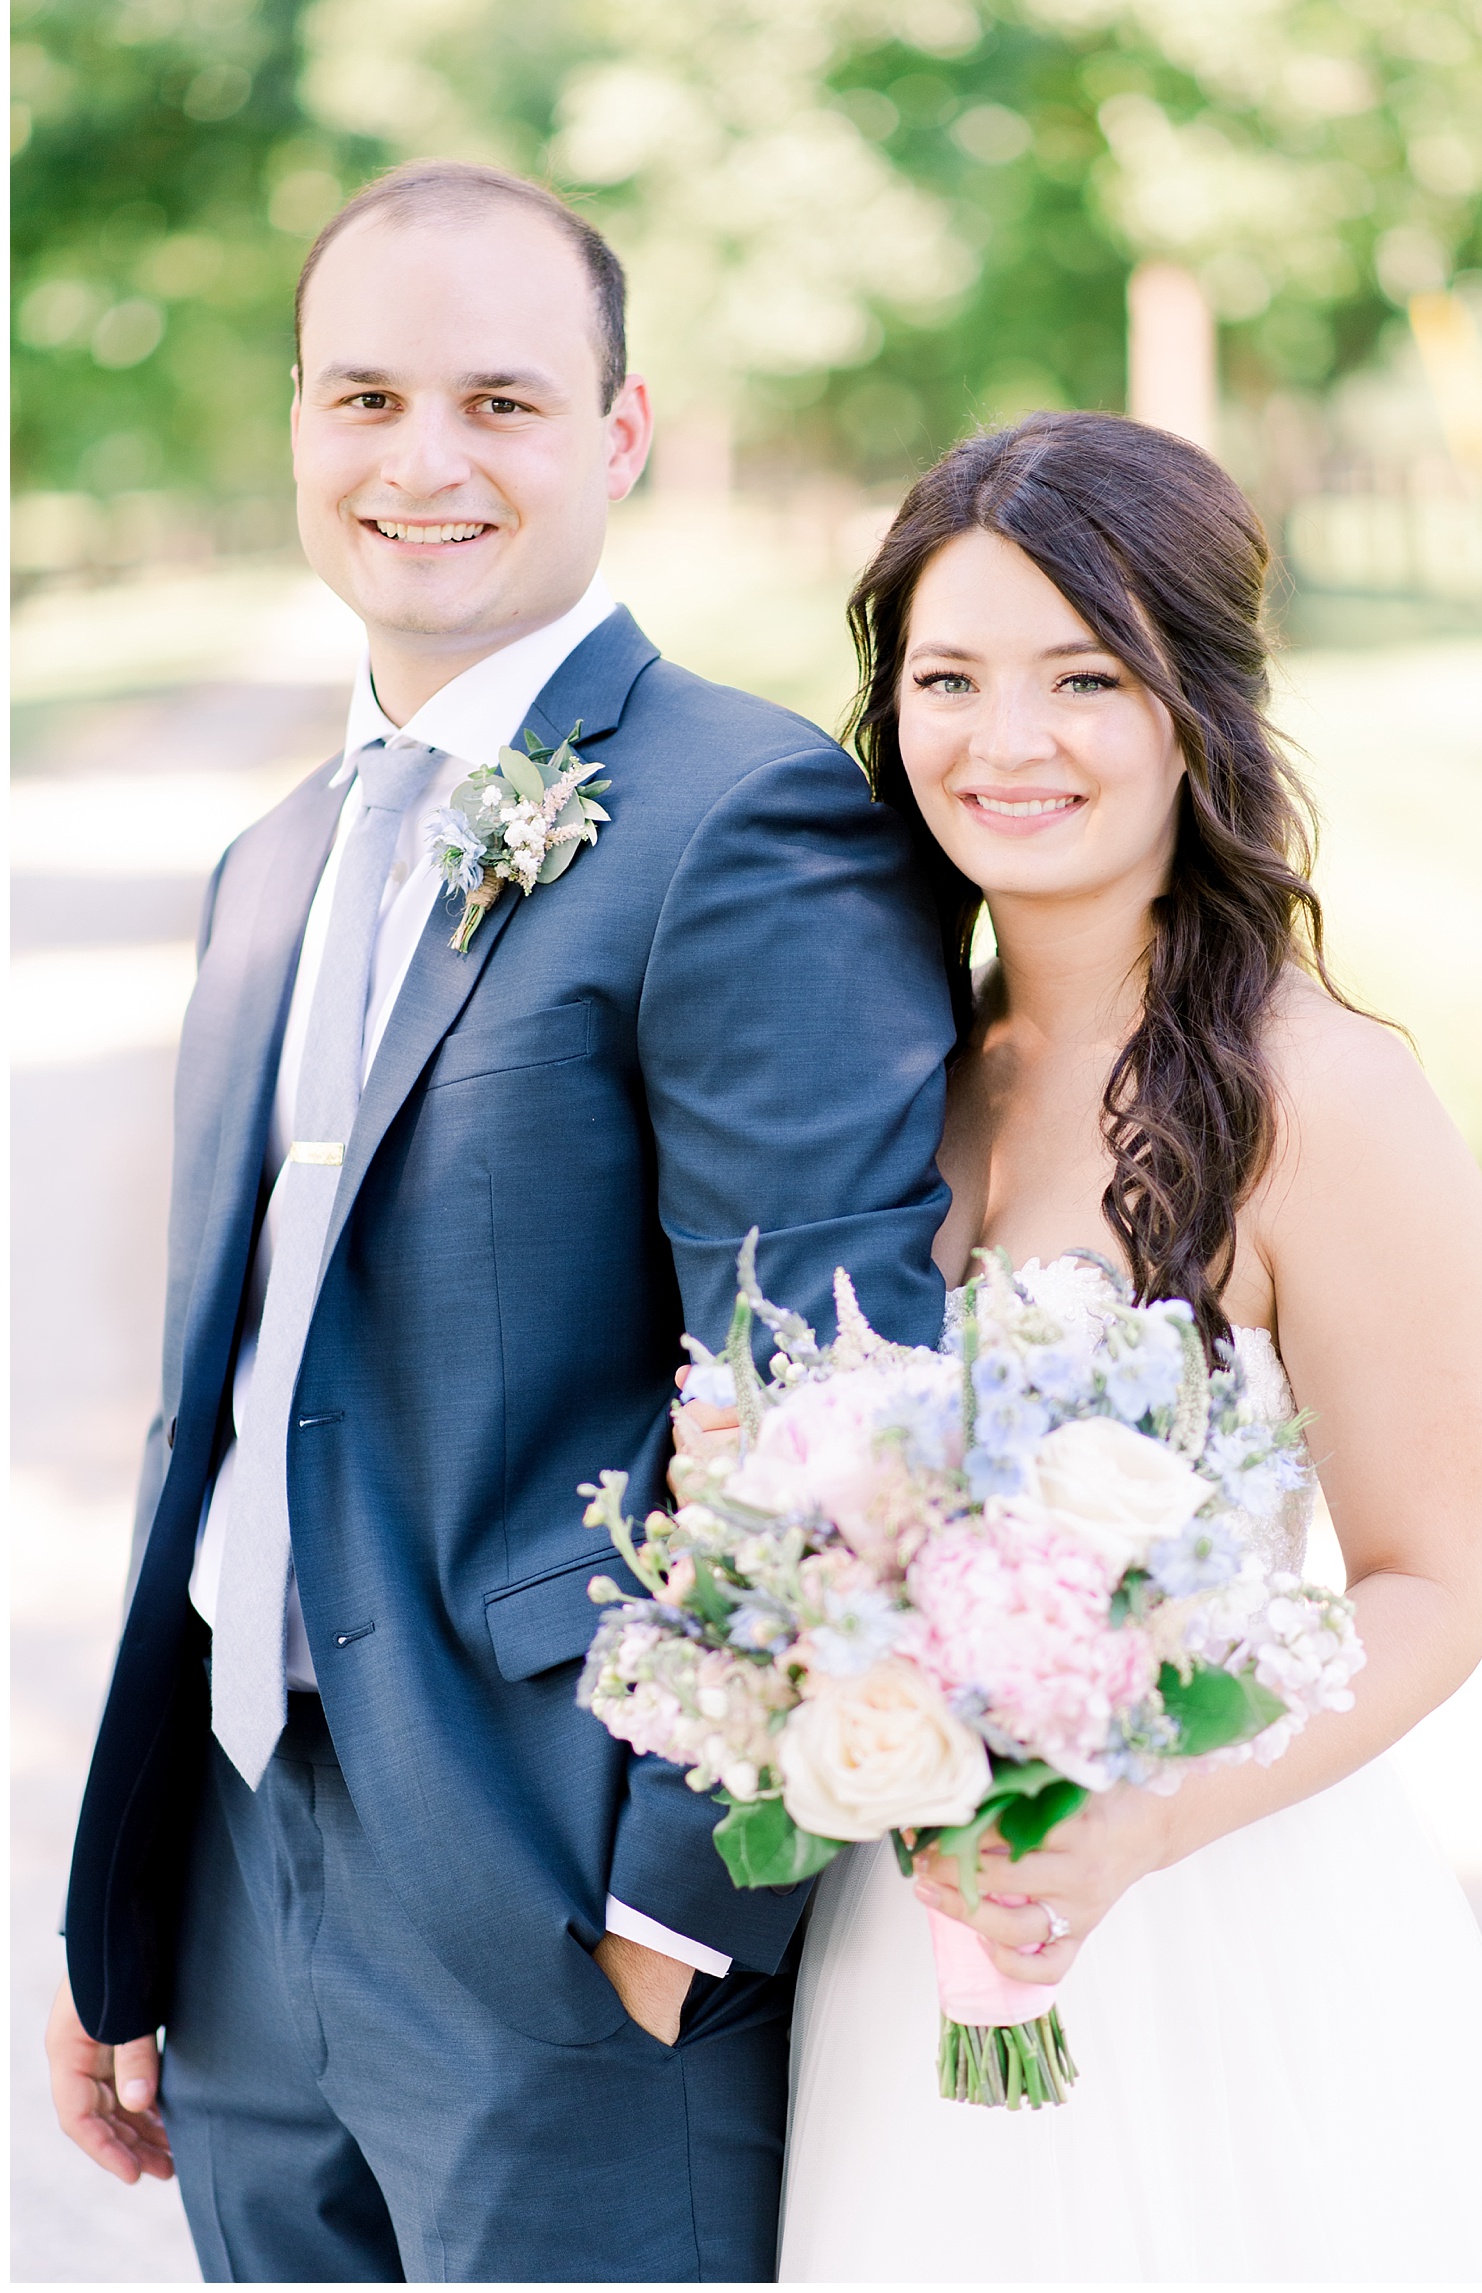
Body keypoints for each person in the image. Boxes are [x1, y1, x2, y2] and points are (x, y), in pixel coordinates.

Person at [45, 159, 956, 2284]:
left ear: (618, 434)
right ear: (295, 423)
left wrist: (675, 1912)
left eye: (501, 402)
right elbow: (239, 1406)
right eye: (359, 398)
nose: (420, 459)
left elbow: (831, 1403)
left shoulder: (744, 817)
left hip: (561, 1918)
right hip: (246, 1899)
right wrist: (137, 1891)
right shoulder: (268, 861)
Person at [684, 413, 1482, 2281]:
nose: (1005, 743)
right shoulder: (899, 1076)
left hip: (1210, 1924)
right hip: (907, 1917)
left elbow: (1429, 1587)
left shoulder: (1319, 1094)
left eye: (1083, 675)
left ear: (1199, 706)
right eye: (949, 678)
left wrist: (1138, 1823)